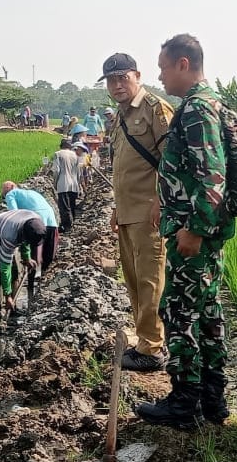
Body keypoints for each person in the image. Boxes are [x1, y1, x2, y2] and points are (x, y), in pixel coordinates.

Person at [136, 34, 235, 429]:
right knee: (208, 314)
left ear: (182, 64)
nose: (161, 76)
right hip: (199, 233)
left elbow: (212, 175)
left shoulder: (196, 109)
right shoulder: (209, 103)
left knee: (181, 313)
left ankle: (184, 402)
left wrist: (194, 229)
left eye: (162, 68)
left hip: (193, 236)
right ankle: (213, 400)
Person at [102, 53, 174, 372]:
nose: (117, 85)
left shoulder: (155, 110)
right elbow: (123, 167)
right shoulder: (118, 116)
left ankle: (153, 349)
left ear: (137, 76)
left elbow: (172, 160)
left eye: (123, 78)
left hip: (150, 212)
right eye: (111, 80)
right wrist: (117, 207)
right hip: (128, 211)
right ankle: (145, 341)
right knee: (132, 279)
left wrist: (162, 198)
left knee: (150, 280)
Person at [0, 210, 46, 321]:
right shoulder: (10, 236)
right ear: (22, 233)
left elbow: (26, 241)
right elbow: (4, 268)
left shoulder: (36, 222)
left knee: (14, 272)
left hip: (4, 229)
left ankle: (12, 309)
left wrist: (27, 258)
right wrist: (7, 295)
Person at [1, 181, 60, 284]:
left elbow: (14, 213)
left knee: (34, 256)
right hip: (51, 222)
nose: (4, 193)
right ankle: (43, 280)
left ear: (11, 187)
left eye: (4, 189)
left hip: (36, 225)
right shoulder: (32, 193)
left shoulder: (11, 194)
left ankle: (33, 282)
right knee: (48, 255)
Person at [51, 138, 80, 232]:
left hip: (63, 183)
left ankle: (67, 226)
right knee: (72, 204)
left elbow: (56, 170)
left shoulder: (58, 154)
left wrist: (55, 182)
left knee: (64, 206)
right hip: (74, 183)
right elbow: (78, 171)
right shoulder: (74, 155)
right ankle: (72, 223)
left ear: (61, 146)